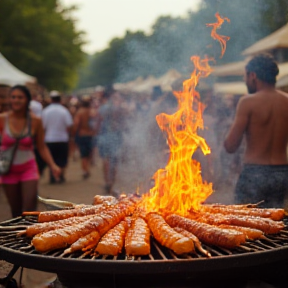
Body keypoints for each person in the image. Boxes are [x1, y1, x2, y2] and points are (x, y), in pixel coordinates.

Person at [224, 53, 288, 208]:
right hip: (282, 173)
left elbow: (230, 146)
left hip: (254, 173)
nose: (245, 81)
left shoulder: (248, 102)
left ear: (253, 75)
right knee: (274, 222)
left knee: (246, 221)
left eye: (245, 76)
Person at [0, 85, 61, 217]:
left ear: (27, 100)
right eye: (13, 97)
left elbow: (42, 147)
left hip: (28, 169)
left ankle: (30, 236)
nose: (16, 100)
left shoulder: (35, 121)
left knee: (29, 210)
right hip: (8, 171)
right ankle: (20, 236)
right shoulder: (2, 119)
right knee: (15, 213)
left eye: (20, 97)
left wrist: (53, 165)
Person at [97, 89, 125, 195]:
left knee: (106, 159)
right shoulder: (119, 109)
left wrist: (97, 134)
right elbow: (123, 123)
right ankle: (111, 182)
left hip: (104, 136)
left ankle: (107, 181)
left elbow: (98, 122)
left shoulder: (103, 108)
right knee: (114, 160)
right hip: (116, 136)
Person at [42, 90, 73, 184]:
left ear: (51, 99)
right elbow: (69, 125)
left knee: (52, 159)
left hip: (49, 139)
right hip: (62, 139)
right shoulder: (64, 111)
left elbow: (43, 126)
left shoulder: (46, 111)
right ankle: (60, 175)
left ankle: (53, 176)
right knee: (62, 159)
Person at [73, 95, 96, 179]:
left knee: (83, 155)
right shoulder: (92, 112)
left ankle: (85, 170)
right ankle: (87, 169)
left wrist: (74, 133)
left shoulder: (80, 112)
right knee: (89, 153)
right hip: (90, 135)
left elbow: (76, 124)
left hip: (82, 134)